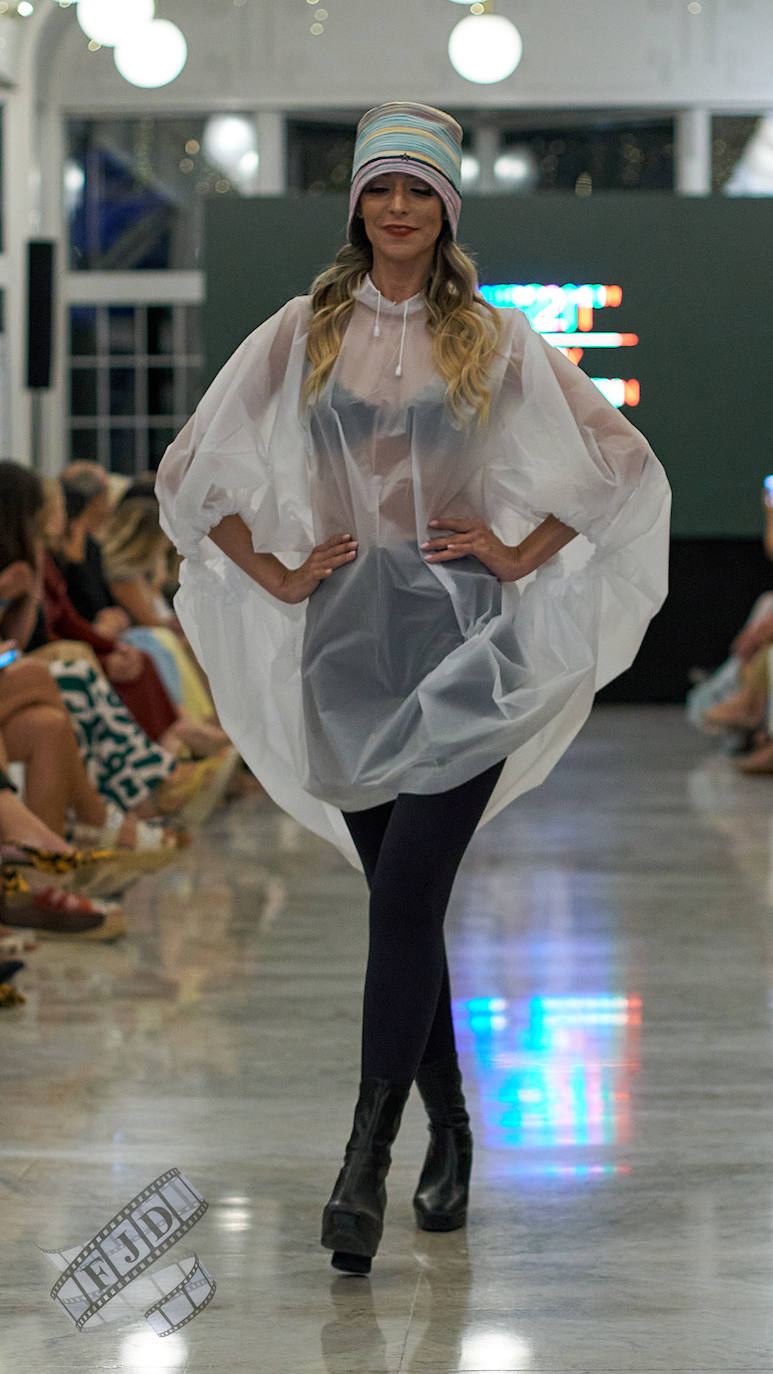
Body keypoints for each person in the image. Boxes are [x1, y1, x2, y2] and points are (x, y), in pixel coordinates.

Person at [156, 102, 671, 1273]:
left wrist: (517, 552)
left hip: (461, 648)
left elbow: (619, 461)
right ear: (356, 206)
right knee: (403, 900)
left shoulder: (491, 337)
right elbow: (190, 471)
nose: (398, 209)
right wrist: (277, 568)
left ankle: (362, 1164)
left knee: (404, 897)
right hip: (342, 649)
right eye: (379, 189)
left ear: (448, 208)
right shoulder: (301, 332)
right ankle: (450, 1130)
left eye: (418, 191)